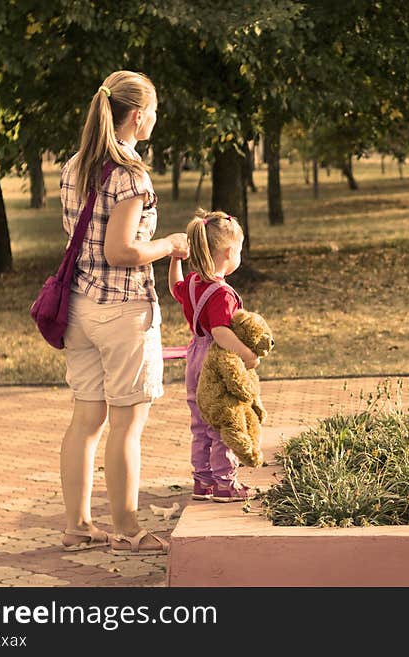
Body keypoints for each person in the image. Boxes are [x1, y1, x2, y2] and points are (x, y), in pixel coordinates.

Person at [58, 70, 190, 555]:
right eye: (153, 111)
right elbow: (121, 251)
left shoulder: (75, 166)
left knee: (85, 419)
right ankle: (129, 528)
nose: (156, 118)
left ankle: (77, 526)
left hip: (78, 308)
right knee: (126, 423)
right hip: (122, 312)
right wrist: (171, 243)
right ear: (137, 115)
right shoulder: (131, 176)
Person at [168, 209, 260, 502]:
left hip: (193, 355)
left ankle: (202, 481)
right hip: (214, 362)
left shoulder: (194, 282)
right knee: (222, 421)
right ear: (230, 251)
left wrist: (174, 261)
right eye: (240, 250)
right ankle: (225, 483)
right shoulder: (223, 293)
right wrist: (247, 354)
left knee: (200, 423)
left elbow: (174, 288)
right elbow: (221, 332)